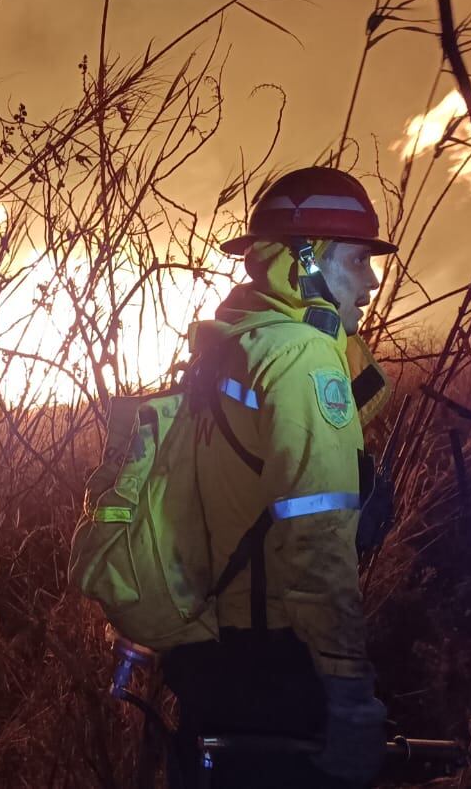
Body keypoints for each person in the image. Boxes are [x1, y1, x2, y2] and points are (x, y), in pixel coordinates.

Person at [164, 166, 396, 788]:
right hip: (276, 664)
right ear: (305, 263)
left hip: (209, 658)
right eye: (355, 261)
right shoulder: (301, 357)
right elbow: (317, 540)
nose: (371, 283)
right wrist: (348, 693)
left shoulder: (231, 347)